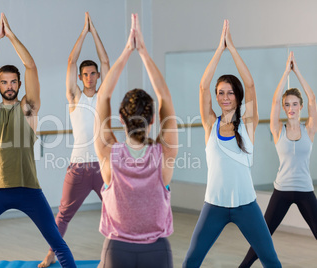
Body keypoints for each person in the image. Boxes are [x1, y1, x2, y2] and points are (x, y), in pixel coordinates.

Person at [0, 13, 76, 268]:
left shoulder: (28, 109)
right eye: (4, 82)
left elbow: (31, 66)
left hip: (29, 189)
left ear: (19, 83)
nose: (9, 86)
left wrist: (10, 36)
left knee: (57, 243)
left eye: (13, 82)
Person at [182, 20, 281, 268]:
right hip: (213, 205)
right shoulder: (210, 125)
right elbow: (203, 86)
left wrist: (232, 48)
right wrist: (219, 49)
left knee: (271, 261)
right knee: (191, 261)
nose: (224, 97)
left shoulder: (248, 123)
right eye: (220, 92)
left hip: (246, 205)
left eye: (230, 92)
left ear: (237, 96)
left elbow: (251, 85)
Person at [95, 14, 178, 268]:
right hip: (157, 251)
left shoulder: (110, 155)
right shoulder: (163, 155)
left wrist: (126, 52)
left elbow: (103, 98)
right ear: (152, 120)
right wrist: (142, 51)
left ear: (121, 118)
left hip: (116, 250)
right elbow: (164, 96)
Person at [40, 12, 109, 267]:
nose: (90, 77)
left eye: (94, 73)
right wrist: (84, 32)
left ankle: (112, 256)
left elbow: (106, 59)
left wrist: (95, 33)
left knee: (115, 213)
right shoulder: (75, 98)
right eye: (86, 74)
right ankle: (51, 254)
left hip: (103, 169)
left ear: (98, 76)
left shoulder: (104, 97)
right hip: (78, 168)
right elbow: (71, 60)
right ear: (80, 78)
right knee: (63, 215)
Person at [239, 52, 317, 267]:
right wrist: (285, 72)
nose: (290, 109)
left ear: (300, 106)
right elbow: (274, 100)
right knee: (262, 237)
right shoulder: (277, 130)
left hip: (305, 190)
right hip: (282, 190)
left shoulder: (309, 130)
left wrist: (297, 71)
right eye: (287, 105)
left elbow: (312, 99)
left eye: (294, 104)